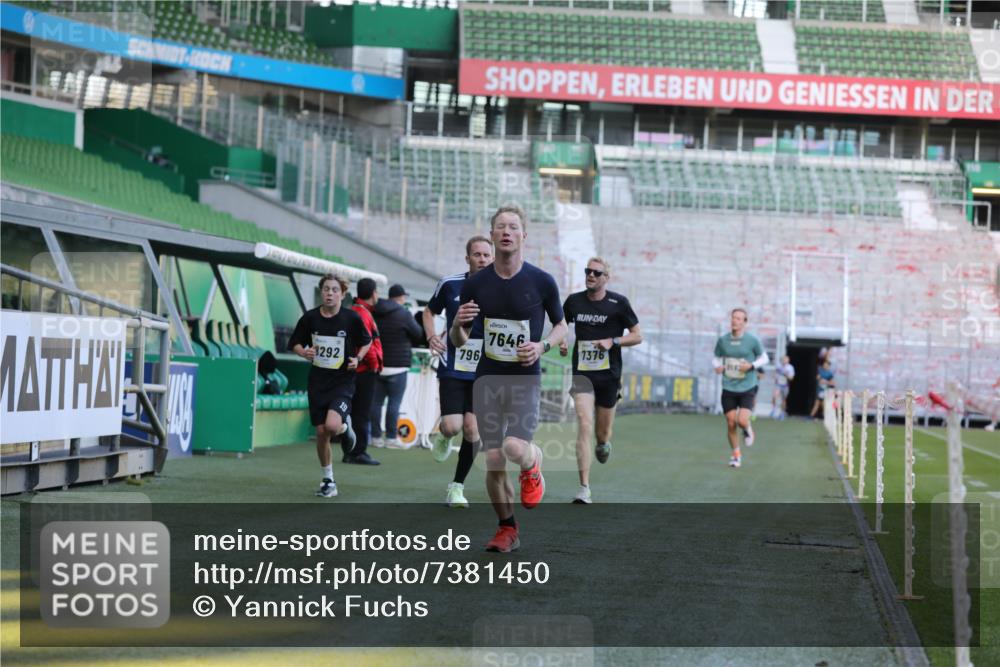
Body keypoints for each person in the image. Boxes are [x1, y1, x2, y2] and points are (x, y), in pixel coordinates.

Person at [450, 206, 567, 552]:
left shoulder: (541, 281)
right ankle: (507, 528)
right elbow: (460, 342)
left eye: (513, 227)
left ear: (523, 236)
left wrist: (542, 345)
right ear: (492, 233)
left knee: (515, 448)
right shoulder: (475, 284)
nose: (506, 232)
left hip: (524, 379)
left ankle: (533, 463)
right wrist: (457, 323)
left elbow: (562, 327)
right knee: (494, 459)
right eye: (500, 227)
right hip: (487, 378)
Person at [559, 257, 641, 504]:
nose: (591, 276)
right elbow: (561, 325)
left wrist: (613, 341)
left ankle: (603, 443)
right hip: (583, 373)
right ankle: (584, 487)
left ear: (606, 277)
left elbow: (638, 335)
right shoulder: (574, 301)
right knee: (584, 422)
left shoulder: (619, 303)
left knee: (602, 434)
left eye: (597, 272)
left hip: (609, 375)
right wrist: (562, 341)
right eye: (588, 271)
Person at [424, 236, 495, 507]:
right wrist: (431, 336)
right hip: (453, 363)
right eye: (476, 254)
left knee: (472, 429)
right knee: (453, 426)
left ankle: (457, 486)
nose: (482, 259)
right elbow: (429, 313)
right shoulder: (450, 283)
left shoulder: (502, 289)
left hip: (484, 368)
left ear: (493, 257)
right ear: (468, 258)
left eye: (486, 255)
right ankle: (443, 433)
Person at [288, 274, 371, 497]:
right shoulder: (310, 318)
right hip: (317, 381)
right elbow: (294, 342)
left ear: (343, 294)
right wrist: (303, 352)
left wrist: (358, 359)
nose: (330, 293)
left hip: (342, 380)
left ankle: (344, 427)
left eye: (335, 290)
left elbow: (367, 341)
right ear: (321, 292)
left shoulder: (351, 318)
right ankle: (328, 481)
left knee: (332, 426)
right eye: (326, 289)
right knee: (322, 432)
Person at [713, 308, 768, 468]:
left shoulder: (752, 340)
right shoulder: (723, 340)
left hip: (747, 386)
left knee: (741, 420)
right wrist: (718, 367)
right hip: (728, 386)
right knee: (731, 423)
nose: (734, 321)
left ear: (745, 322)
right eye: (733, 318)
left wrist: (751, 366)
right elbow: (716, 358)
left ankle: (748, 429)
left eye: (738, 318)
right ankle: (736, 455)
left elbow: (764, 358)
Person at [370, 284, 423, 449]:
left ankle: (375, 437)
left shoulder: (374, 312)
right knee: (394, 403)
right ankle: (391, 438)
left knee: (376, 403)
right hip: (398, 366)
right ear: (400, 297)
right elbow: (418, 333)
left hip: (378, 364)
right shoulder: (404, 314)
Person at [348, 278, 384, 465]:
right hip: (364, 371)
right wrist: (374, 365)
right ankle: (357, 452)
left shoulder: (357, 310)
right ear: (373, 293)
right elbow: (367, 343)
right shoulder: (362, 313)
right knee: (362, 412)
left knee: (356, 412)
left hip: (358, 370)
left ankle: (352, 451)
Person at [771, 355, 795, 420]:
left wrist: (786, 375)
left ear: (788, 360)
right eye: (783, 359)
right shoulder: (778, 366)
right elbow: (774, 373)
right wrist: (775, 377)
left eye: (786, 359)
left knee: (783, 400)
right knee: (774, 396)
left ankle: (782, 413)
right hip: (778, 384)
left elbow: (791, 378)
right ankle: (773, 410)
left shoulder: (790, 368)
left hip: (785, 386)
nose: (784, 361)